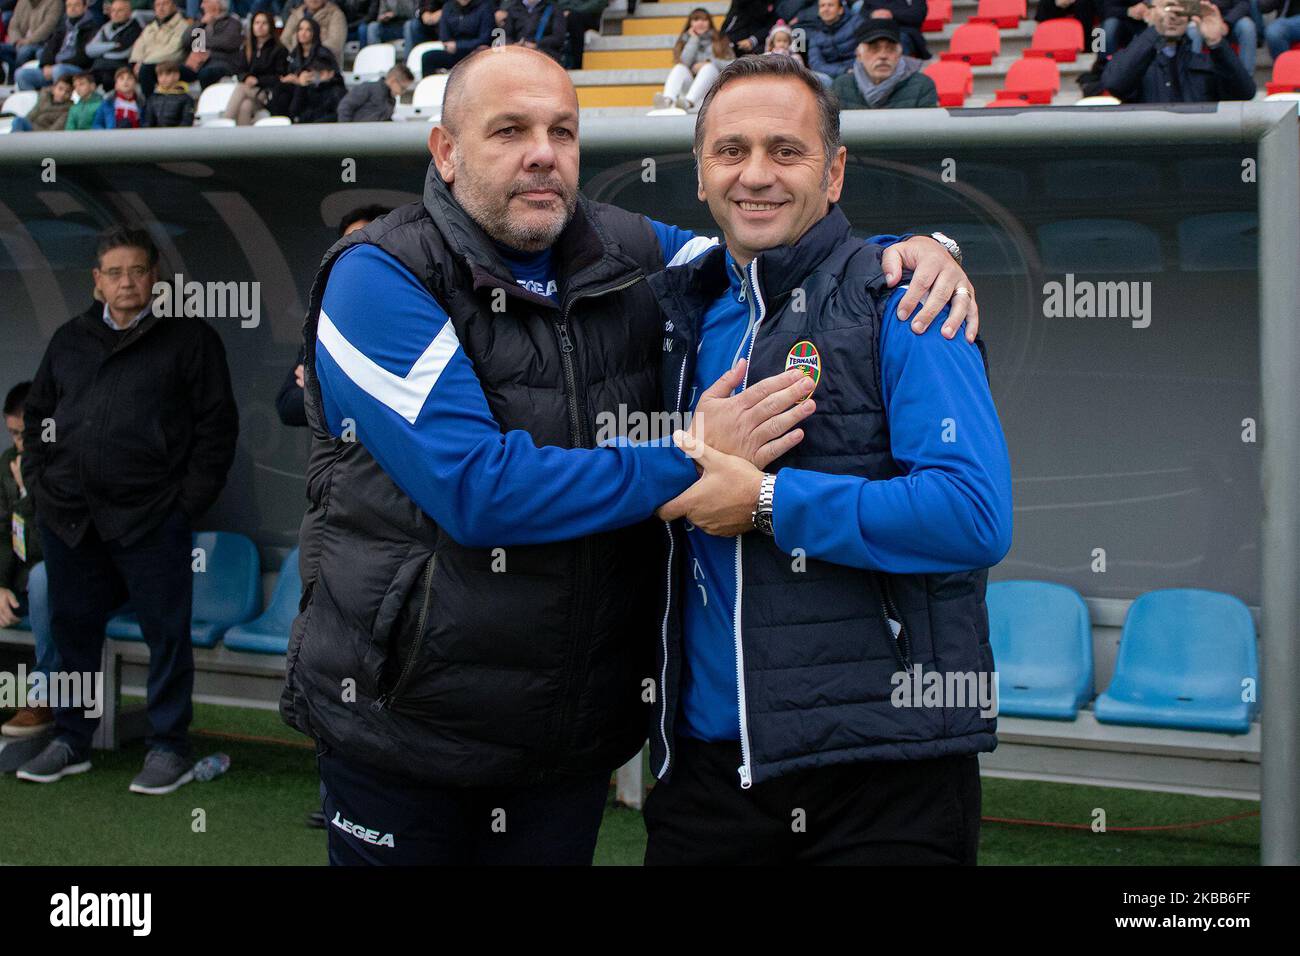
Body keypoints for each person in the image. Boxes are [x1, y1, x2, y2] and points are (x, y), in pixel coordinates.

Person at [280, 42, 977, 866]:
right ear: (445, 150)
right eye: (508, 131)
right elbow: (478, 490)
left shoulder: (626, 248)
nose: (542, 153)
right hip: (408, 730)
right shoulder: (378, 276)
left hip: (565, 737)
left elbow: (771, 242)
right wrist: (694, 458)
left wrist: (914, 253)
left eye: (562, 132)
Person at [640, 54, 1010, 865]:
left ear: (834, 172)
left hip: (880, 771)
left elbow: (972, 514)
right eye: (731, 151)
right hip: (706, 772)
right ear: (700, 175)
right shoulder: (677, 312)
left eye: (787, 150)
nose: (757, 175)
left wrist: (769, 502)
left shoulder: (906, 300)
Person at [16, 227, 238, 793]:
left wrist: (181, 507)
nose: (125, 282)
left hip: (150, 520)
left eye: (136, 271)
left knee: (166, 636)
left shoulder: (189, 340)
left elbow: (217, 431)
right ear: (96, 281)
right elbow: (39, 416)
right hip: (70, 519)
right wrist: (44, 486)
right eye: (113, 273)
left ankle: (168, 748)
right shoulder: (70, 339)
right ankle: (71, 738)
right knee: (73, 636)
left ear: (154, 276)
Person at [275, 206, 389, 430]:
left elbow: (394, 402)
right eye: (345, 248)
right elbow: (287, 406)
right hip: (336, 461)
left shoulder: (409, 313)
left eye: (362, 245)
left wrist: (322, 388)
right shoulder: (326, 321)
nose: (352, 256)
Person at [0, 383, 55, 739]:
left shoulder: (61, 464)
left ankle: (43, 699)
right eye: (12, 434)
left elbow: (46, 545)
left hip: (57, 577)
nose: (18, 443)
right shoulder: (7, 464)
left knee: (43, 579)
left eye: (24, 434)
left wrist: (27, 492)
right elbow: (2, 532)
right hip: (17, 578)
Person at [1101, 0, 1255, 102]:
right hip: (1150, 148)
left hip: (1196, 146)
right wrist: (1156, 31)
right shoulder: (1131, 62)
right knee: (1105, 29)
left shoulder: (1206, 63)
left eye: (1181, 10)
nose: (1174, 16)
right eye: (1167, 7)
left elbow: (1245, 93)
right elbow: (1115, 84)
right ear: (1148, 14)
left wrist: (1217, 43)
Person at [832, 17, 937, 106]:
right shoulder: (841, 87)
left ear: (899, 53)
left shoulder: (922, 86)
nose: (883, 56)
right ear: (859, 54)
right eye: (874, 49)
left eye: (890, 48)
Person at [653, 6, 735, 111]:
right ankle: (667, 100)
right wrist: (693, 39)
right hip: (690, 86)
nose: (700, 23)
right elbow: (684, 63)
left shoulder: (721, 39)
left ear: (709, 22)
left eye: (704, 20)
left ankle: (688, 102)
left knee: (708, 68)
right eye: (696, 20)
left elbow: (733, 63)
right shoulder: (685, 40)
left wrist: (708, 62)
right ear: (690, 23)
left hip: (713, 87)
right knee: (679, 68)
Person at [222, 9, 288, 124]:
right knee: (245, 106)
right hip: (250, 93)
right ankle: (243, 139)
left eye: (264, 23)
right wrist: (246, 78)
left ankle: (224, 122)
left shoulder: (279, 50)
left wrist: (258, 80)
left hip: (267, 93)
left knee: (240, 88)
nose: (260, 26)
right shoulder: (247, 48)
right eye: (257, 23)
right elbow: (239, 70)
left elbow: (280, 76)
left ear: (271, 26)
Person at [16, 0, 99, 90]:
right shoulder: (63, 26)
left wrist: (59, 65)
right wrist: (46, 65)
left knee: (58, 70)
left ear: (85, 7)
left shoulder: (92, 28)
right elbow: (49, 47)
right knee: (21, 74)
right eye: (69, 6)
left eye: (76, 5)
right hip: (55, 67)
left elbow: (84, 57)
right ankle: (40, 102)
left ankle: (57, 100)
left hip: (77, 69)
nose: (72, 8)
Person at [279, 15, 346, 122]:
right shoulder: (294, 55)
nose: (303, 33)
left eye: (308, 30)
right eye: (300, 29)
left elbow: (331, 77)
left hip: (320, 97)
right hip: (299, 95)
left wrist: (303, 80)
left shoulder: (323, 54)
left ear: (314, 33)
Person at [129, 0, 191, 97]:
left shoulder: (183, 26)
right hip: (146, 64)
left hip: (169, 65)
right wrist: (137, 62)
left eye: (165, 4)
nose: (161, 8)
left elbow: (173, 51)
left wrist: (144, 62)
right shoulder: (150, 27)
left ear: (174, 6)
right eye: (158, 5)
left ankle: (149, 102)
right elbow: (139, 46)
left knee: (146, 69)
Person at [0, 0, 64, 86]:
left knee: (25, 51)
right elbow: (13, 25)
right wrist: (16, 40)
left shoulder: (55, 2)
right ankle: (6, 77)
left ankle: (16, 81)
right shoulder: (22, 2)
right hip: (19, 42)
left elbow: (48, 27)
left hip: (42, 43)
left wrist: (27, 41)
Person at [182, 0, 244, 88]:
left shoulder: (232, 23)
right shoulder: (201, 22)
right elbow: (185, 41)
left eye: (205, 2)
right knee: (175, 71)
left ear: (217, 5)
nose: (201, 6)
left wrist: (202, 44)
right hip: (197, 63)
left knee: (206, 74)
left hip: (222, 63)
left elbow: (227, 42)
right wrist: (201, 23)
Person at [419, 0, 491, 76]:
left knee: (482, 52)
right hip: (454, 52)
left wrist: (458, 45)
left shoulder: (484, 7)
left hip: (475, 50)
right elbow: (444, 36)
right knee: (428, 58)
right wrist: (451, 45)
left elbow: (485, 39)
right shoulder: (448, 7)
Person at [85, 0, 140, 89]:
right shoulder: (106, 27)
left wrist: (101, 50)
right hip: (99, 67)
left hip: (119, 67)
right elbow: (89, 50)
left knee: (107, 79)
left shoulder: (135, 28)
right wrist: (112, 45)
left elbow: (123, 53)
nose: (115, 13)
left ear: (129, 13)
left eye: (120, 10)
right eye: (113, 10)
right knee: (85, 81)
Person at [807, 0, 859, 86]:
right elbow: (816, 64)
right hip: (832, 75)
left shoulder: (856, 23)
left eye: (830, 5)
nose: (826, 9)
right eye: (822, 6)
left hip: (856, 69)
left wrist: (853, 69)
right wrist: (843, 71)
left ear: (840, 10)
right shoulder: (815, 33)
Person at [337, 62, 413, 120]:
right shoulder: (368, 88)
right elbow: (345, 106)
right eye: (402, 88)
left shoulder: (391, 100)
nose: (402, 93)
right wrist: (347, 132)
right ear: (392, 81)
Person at [858, 0, 930, 60]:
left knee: (900, 40)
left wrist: (891, 14)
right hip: (875, 30)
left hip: (903, 32)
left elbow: (917, 15)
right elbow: (862, 14)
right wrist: (872, 14)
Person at [281, 0, 346, 63]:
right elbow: (284, 39)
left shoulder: (336, 14)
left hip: (324, 65)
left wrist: (309, 54)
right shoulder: (296, 14)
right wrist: (297, 53)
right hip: (296, 63)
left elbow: (336, 43)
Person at [502, 0, 567, 62]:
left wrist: (537, 45)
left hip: (545, 55)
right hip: (518, 54)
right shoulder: (514, 8)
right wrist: (515, 45)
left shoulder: (553, 8)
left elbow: (559, 37)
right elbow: (506, 36)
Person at [6, 73, 73, 128]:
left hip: (41, 136)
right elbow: (32, 114)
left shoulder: (68, 110)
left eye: (67, 92)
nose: (63, 93)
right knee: (18, 121)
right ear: (53, 88)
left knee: (18, 121)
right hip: (29, 129)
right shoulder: (44, 97)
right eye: (60, 89)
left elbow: (55, 130)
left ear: (71, 94)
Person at [141, 59, 195, 123]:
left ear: (176, 75)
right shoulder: (152, 99)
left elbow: (187, 122)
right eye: (160, 75)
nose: (163, 78)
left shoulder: (186, 99)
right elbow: (148, 123)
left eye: (167, 74)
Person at [558, 0, 606, 69]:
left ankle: (577, 62)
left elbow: (598, 4)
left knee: (574, 18)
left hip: (589, 16)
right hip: (567, 14)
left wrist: (572, 10)